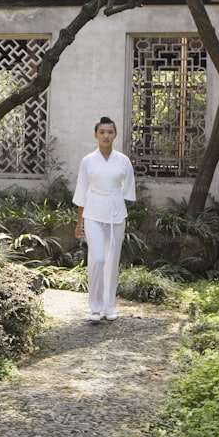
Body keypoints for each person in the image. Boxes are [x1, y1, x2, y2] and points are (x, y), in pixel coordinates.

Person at [73, 116, 136, 323]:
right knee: (98, 258)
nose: (106, 136)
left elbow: (127, 190)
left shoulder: (123, 161)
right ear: (96, 135)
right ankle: (95, 308)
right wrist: (79, 222)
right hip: (92, 215)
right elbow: (82, 192)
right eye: (102, 132)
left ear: (115, 134)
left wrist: (118, 202)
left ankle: (109, 307)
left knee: (111, 262)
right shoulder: (88, 161)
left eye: (110, 132)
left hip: (116, 215)